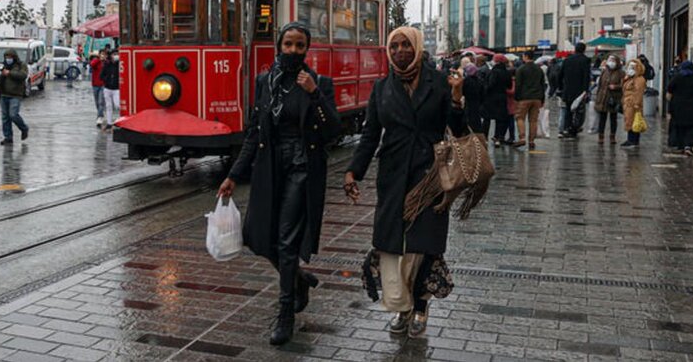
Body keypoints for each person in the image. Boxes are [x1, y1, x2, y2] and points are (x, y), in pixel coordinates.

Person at [218, 23, 340, 346]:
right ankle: (298, 278)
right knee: (255, 236)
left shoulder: (318, 83)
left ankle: (286, 313)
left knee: (286, 242)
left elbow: (333, 129)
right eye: (288, 44)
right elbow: (255, 132)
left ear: (307, 49)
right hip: (270, 167)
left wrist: (314, 94)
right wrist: (233, 175)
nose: (293, 51)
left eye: (300, 46)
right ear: (279, 46)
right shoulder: (265, 82)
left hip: (301, 168)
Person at [343, 26, 467, 339]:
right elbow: (371, 135)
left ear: (417, 47)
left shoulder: (439, 82)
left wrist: (456, 99)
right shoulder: (382, 88)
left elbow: (460, 131)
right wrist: (353, 171)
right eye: (395, 46)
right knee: (393, 244)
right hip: (393, 175)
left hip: (430, 176)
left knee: (424, 245)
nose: (400, 51)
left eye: (406, 45)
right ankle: (402, 304)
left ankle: (420, 305)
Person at [0, 48, 30, 145]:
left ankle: (24, 128)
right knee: (5, 118)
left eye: (10, 57)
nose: (8, 59)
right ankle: (8, 137)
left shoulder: (21, 65)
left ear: (14, 57)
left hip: (15, 95)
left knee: (13, 115)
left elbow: (23, 75)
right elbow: (1, 80)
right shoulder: (5, 66)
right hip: (4, 94)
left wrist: (10, 73)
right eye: (6, 57)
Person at [513, 52, 546, 149]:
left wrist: (516, 98)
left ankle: (522, 138)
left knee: (520, 117)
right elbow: (542, 85)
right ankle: (531, 140)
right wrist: (542, 99)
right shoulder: (539, 69)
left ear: (526, 56)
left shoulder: (521, 69)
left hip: (524, 98)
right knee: (533, 120)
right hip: (537, 98)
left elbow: (518, 85)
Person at [560, 43, 591, 138]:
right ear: (584, 50)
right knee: (579, 111)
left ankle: (567, 128)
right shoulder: (585, 60)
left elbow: (560, 75)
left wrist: (561, 88)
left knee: (568, 110)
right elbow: (586, 76)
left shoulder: (567, 60)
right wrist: (586, 90)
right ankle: (574, 129)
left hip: (567, 90)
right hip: (579, 91)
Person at [593, 55, 623, 145]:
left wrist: (616, 87)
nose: (611, 62)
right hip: (603, 98)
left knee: (613, 118)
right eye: (610, 60)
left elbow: (623, 85)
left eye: (613, 60)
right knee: (602, 118)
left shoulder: (621, 73)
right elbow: (599, 85)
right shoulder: (604, 71)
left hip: (614, 98)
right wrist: (597, 97)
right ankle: (601, 137)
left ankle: (612, 136)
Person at [484, 53, 513, 145]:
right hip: (502, 97)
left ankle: (485, 137)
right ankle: (498, 138)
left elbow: (490, 84)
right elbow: (509, 85)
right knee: (500, 119)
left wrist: (485, 90)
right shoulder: (507, 72)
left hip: (491, 98)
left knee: (487, 118)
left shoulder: (493, 72)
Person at [620, 58, 647, 147]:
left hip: (633, 104)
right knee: (629, 120)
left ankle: (633, 140)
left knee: (633, 121)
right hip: (628, 103)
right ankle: (630, 139)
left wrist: (636, 104)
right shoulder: (630, 78)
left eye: (632, 68)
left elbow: (639, 92)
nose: (629, 70)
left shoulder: (639, 79)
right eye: (629, 67)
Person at [99, 50, 120, 132]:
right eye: (114, 54)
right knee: (108, 106)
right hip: (107, 88)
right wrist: (107, 80)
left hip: (116, 89)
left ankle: (120, 121)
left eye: (117, 54)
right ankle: (109, 123)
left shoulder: (119, 64)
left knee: (117, 105)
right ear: (111, 56)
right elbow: (101, 75)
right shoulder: (107, 65)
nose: (116, 56)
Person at [89, 51, 106, 127]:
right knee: (97, 102)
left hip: (103, 85)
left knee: (100, 101)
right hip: (95, 85)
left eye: (104, 54)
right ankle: (100, 113)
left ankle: (100, 117)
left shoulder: (106, 62)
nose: (103, 56)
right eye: (101, 54)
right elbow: (92, 64)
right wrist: (99, 59)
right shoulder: (96, 61)